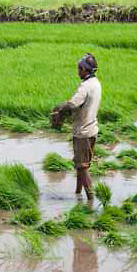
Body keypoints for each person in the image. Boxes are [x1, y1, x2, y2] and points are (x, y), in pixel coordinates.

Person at [50, 53, 102, 200]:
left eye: (79, 69)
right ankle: (78, 193)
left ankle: (91, 199)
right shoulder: (96, 83)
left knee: (83, 167)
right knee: (81, 165)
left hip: (82, 133)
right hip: (92, 130)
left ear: (85, 70)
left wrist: (60, 111)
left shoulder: (85, 87)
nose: (78, 71)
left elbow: (72, 104)